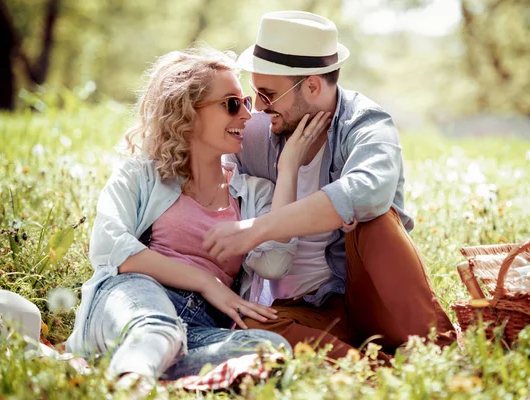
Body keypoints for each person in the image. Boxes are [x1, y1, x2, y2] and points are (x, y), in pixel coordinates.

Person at [64, 45, 332, 383]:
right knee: (155, 329)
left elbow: (273, 262)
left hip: (198, 327)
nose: (247, 116)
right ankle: (133, 381)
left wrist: (288, 167)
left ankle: (136, 371)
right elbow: (110, 247)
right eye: (232, 104)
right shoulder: (143, 173)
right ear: (188, 112)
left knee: (271, 351)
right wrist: (206, 282)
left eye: (246, 103)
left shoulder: (252, 194)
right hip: (133, 298)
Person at [203, 11, 456, 359]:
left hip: (371, 299)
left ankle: (440, 352)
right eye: (254, 92)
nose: (257, 106)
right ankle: (379, 372)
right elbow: (208, 169)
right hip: (310, 310)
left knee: (376, 219)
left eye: (268, 94)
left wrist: (258, 229)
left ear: (311, 85)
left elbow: (369, 192)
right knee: (249, 330)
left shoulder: (366, 123)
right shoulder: (259, 131)